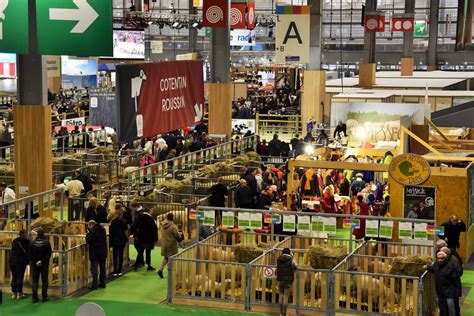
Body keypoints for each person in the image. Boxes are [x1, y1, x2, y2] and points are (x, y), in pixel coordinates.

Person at [425, 251, 461, 316]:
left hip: (449, 292)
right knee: (442, 308)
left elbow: (456, 280)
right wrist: (427, 267)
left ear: (445, 258)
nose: (440, 260)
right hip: (440, 292)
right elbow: (433, 269)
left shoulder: (450, 267)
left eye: (442, 258)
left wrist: (458, 292)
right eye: (438, 258)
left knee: (451, 309)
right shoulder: (436, 264)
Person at [29, 229, 52, 303]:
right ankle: (44, 297)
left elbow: (30, 254)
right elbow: (49, 254)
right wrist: (41, 261)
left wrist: (36, 261)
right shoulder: (47, 242)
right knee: (44, 280)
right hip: (44, 264)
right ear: (43, 234)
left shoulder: (32, 243)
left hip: (35, 264)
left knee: (35, 280)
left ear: (37, 234)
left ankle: (34, 298)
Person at [157, 213, 183, 278]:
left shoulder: (162, 225)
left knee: (166, 257)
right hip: (171, 244)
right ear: (172, 218)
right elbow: (177, 235)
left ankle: (160, 269)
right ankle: (172, 271)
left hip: (164, 243)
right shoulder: (173, 226)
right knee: (173, 257)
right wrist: (180, 234)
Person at [86, 220, 108, 290]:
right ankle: (103, 283)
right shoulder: (103, 229)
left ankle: (94, 285)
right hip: (103, 251)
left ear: (91, 225)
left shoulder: (93, 231)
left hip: (95, 252)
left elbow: (88, 240)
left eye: (89, 227)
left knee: (94, 269)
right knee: (102, 268)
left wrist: (88, 233)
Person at [276, 248, 297, 316]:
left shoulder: (279, 259)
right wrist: (293, 256)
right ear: (289, 253)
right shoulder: (291, 259)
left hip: (280, 280)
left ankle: (280, 313)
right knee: (286, 297)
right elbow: (296, 266)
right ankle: (284, 313)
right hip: (288, 281)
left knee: (280, 296)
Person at [9, 229, 30, 299]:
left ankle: (14, 293)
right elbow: (28, 252)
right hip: (20, 262)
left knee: (14, 277)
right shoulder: (27, 242)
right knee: (19, 277)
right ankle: (19, 293)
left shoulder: (15, 240)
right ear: (25, 234)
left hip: (12, 261)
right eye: (26, 233)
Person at [109, 206, 128, 276]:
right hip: (122, 239)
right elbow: (125, 229)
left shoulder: (113, 222)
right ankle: (120, 270)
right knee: (120, 255)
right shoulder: (124, 221)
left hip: (115, 240)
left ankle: (115, 270)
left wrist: (110, 243)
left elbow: (111, 232)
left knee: (115, 255)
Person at [130, 202, 145, 269]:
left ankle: (137, 263)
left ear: (135, 207)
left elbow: (138, 224)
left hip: (140, 234)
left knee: (139, 248)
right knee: (139, 248)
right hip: (138, 233)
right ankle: (141, 262)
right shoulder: (139, 212)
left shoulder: (140, 214)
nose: (132, 209)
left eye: (132, 208)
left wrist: (135, 232)